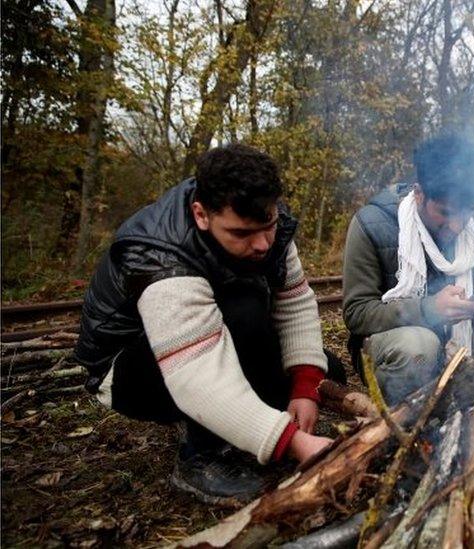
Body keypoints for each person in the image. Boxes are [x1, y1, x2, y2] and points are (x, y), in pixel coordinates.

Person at [75, 144, 335, 504]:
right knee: (243, 308)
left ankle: (244, 420)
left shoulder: (264, 218)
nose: (262, 244)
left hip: (210, 341)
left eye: (268, 226)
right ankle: (199, 457)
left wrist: (304, 386)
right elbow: (196, 375)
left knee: (326, 370)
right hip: (131, 371)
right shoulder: (158, 255)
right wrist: (294, 443)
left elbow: (294, 302)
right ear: (201, 214)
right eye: (241, 234)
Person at [342, 134, 474, 405]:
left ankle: (472, 406)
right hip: (397, 347)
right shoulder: (372, 225)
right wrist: (429, 309)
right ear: (419, 194)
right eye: (445, 213)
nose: (457, 226)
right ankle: (407, 415)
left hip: (461, 339)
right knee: (419, 347)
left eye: (466, 213)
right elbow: (357, 314)